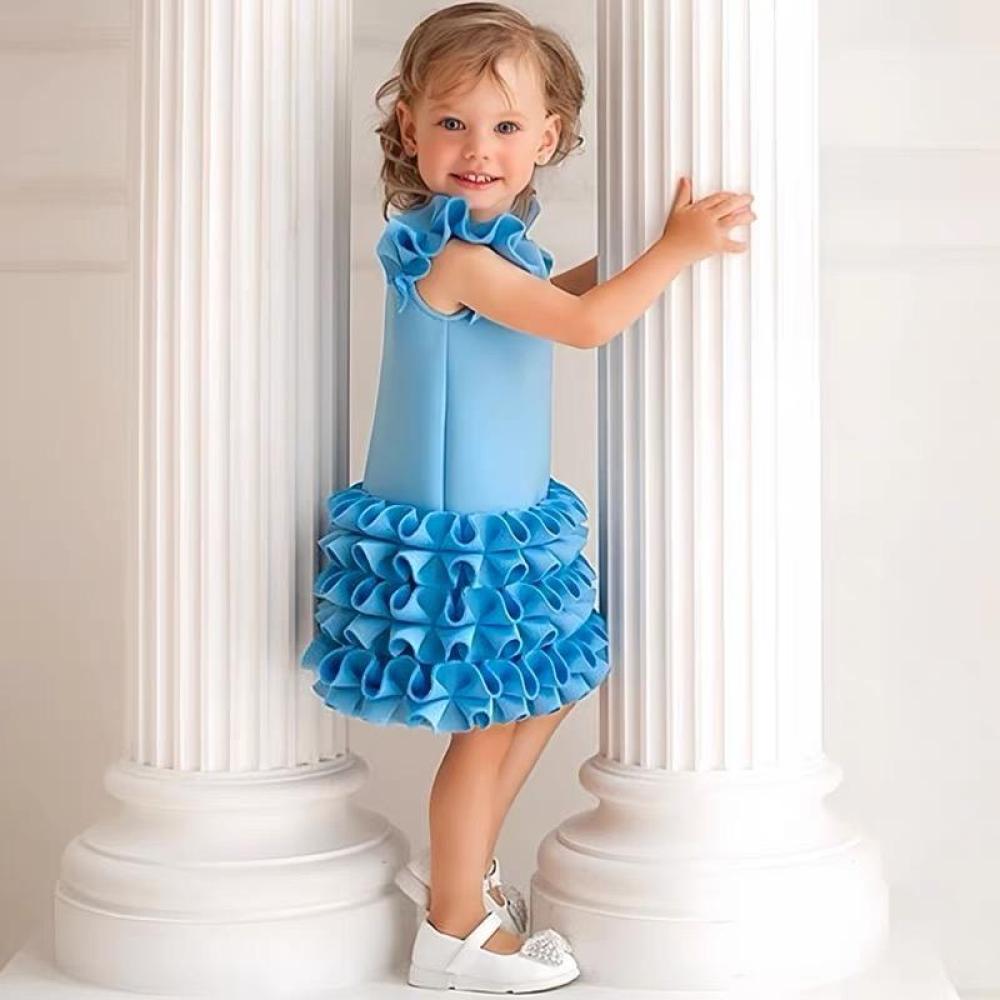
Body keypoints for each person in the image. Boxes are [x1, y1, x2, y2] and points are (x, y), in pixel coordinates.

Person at [300, 2, 756, 992]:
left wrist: (643, 252)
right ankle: (453, 929)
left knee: (549, 682)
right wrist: (675, 251)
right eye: (453, 123)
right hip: (457, 531)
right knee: (490, 721)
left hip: (500, 516)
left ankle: (458, 872)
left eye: (506, 126)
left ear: (546, 138)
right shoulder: (454, 257)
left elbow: (559, 300)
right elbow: (584, 327)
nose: (479, 149)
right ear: (409, 129)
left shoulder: (498, 252)